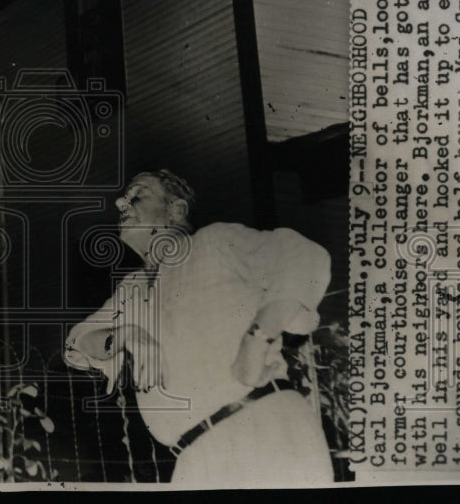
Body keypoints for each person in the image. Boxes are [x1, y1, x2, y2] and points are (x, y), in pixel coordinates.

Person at [64, 169, 333, 487]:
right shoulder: (130, 288)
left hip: (261, 428)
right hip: (193, 457)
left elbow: (303, 257)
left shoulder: (213, 241)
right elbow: (76, 346)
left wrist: (257, 339)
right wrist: (126, 335)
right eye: (122, 199)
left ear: (176, 210)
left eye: (137, 195)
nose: (122, 203)